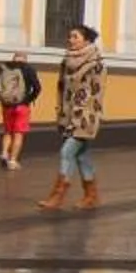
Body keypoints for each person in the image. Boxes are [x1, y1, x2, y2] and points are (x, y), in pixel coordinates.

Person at [40, 24, 106, 210]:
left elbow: (97, 93)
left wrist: (85, 114)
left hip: (85, 116)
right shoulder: (66, 62)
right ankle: (91, 195)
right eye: (70, 37)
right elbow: (61, 88)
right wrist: (61, 111)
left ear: (86, 40)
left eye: (75, 37)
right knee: (82, 156)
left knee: (67, 152)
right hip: (67, 115)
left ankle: (57, 196)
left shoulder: (96, 64)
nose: (71, 40)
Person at [0, 50, 42, 171]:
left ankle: (4, 153)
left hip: (6, 105)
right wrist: (28, 99)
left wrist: (2, 98)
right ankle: (13, 161)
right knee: (18, 133)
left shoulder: (3, 68)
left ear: (14, 58)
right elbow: (37, 88)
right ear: (25, 59)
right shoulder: (28, 68)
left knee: (8, 131)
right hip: (22, 106)